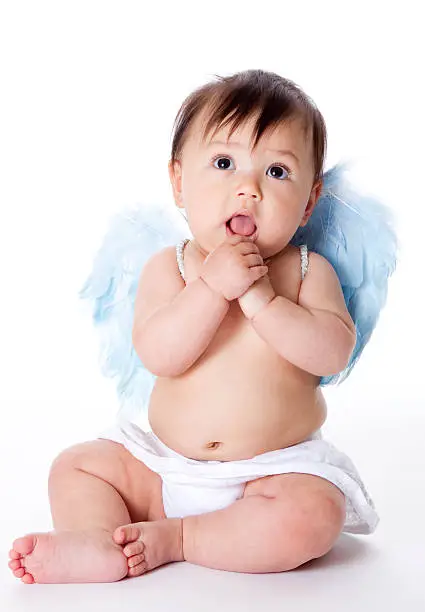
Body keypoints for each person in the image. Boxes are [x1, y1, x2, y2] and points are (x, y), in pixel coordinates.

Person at [8, 69, 391, 584]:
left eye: (277, 172)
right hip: (164, 467)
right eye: (224, 163)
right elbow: (160, 355)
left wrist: (262, 302)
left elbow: (331, 355)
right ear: (179, 182)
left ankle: (180, 538)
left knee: (315, 515)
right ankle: (100, 542)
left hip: (269, 475)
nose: (247, 189)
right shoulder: (172, 268)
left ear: (309, 202)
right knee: (77, 465)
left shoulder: (306, 272)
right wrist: (210, 290)